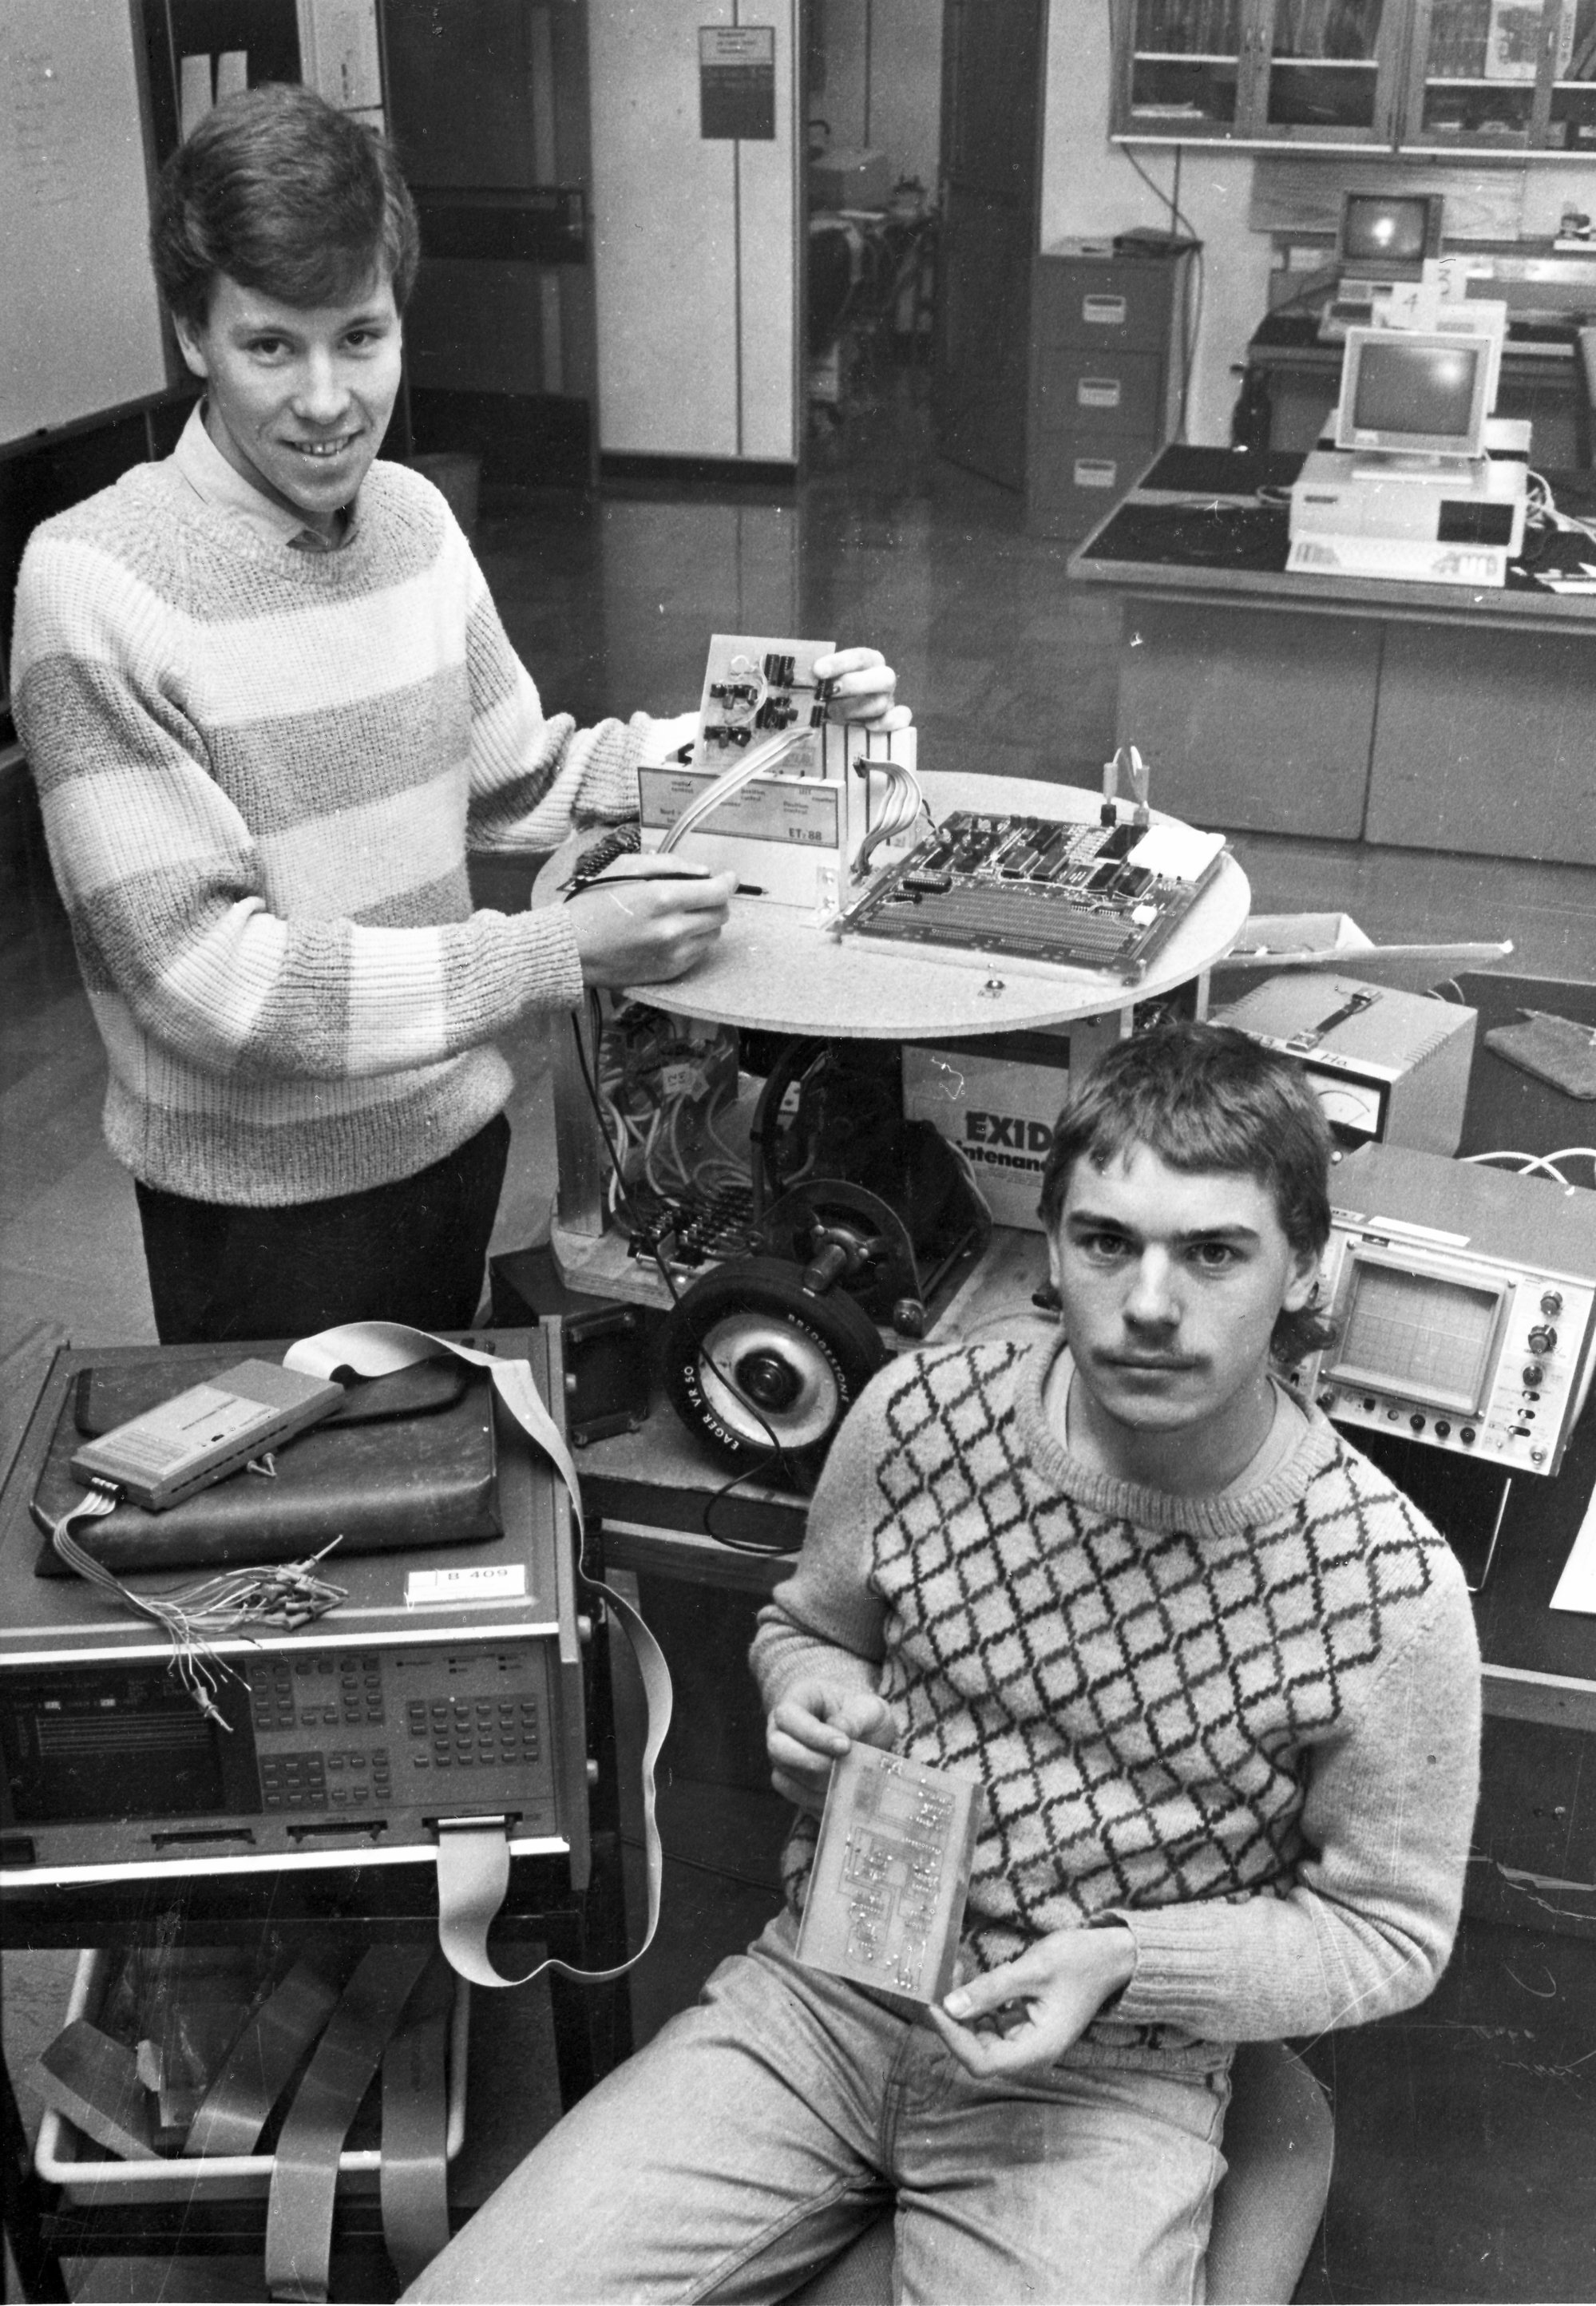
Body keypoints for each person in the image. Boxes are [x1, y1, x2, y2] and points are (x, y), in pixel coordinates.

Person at [404, 1021, 1482, 2305]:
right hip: (824, 1996)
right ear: (1053, 1248)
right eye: (1106, 1243)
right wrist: (808, 1693)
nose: (1149, 1304)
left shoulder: (1387, 1589)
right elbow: (807, 1625)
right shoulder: (922, 1412)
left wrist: (1129, 1961)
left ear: (1305, 1269)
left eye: (1212, 1253)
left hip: (1108, 2075)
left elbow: (1385, 1930)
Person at [9, 82, 905, 1346]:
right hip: (264, 1217)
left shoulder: (418, 524)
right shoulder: (92, 581)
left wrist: (777, 731)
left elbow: (519, 778)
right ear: (192, 332)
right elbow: (212, 985)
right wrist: (563, 951)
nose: (329, 401)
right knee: (308, 1534)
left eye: (362, 338)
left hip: (453, 1150)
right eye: (274, 346)